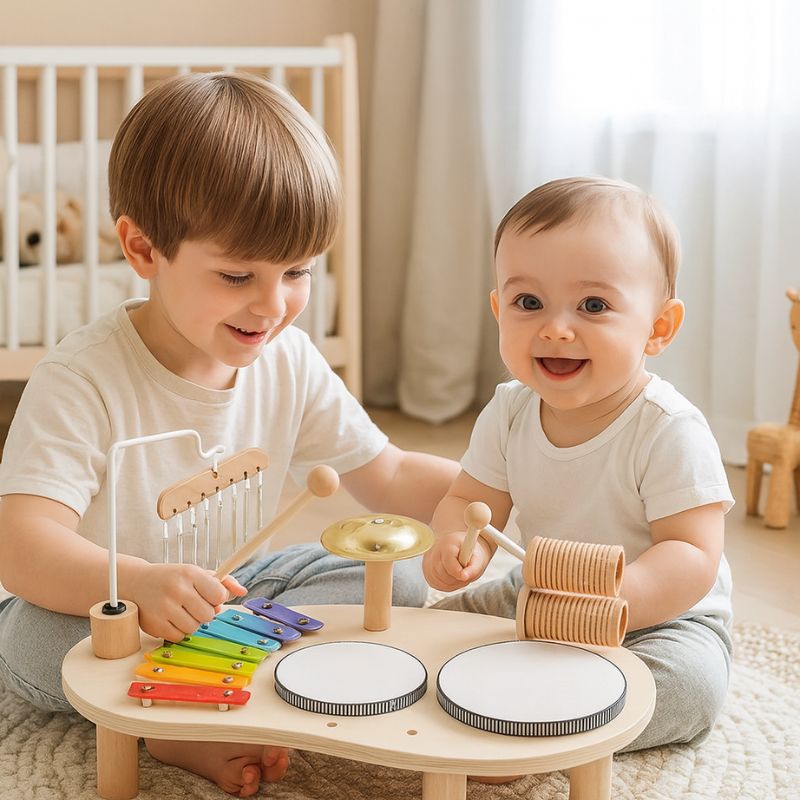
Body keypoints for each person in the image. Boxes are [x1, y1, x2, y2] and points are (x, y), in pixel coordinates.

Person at [0, 72, 458, 798]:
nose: (273, 305)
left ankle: (211, 676)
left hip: (235, 597)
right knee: (27, 643)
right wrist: (142, 585)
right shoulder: (82, 378)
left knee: (394, 574)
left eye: (298, 271)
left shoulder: (289, 359)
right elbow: (23, 550)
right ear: (144, 250)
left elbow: (392, 476)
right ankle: (170, 721)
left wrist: (496, 488)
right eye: (239, 273)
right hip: (99, 606)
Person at [423, 176, 734, 752]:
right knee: (435, 630)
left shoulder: (669, 428)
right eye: (528, 303)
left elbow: (693, 554)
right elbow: (472, 504)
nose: (556, 328)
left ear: (658, 328)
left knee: (691, 687)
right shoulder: (510, 410)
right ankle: (521, 699)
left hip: (665, 617)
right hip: (545, 588)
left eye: (593, 305)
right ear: (499, 310)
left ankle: (549, 728)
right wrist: (458, 546)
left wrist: (621, 599)